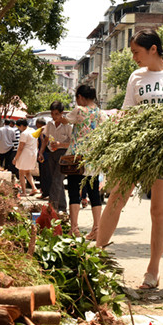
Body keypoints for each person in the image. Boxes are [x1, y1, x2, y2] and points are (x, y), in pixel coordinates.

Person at [95, 29, 163, 289]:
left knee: (158, 210)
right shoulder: (136, 77)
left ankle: (153, 270)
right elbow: (128, 112)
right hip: (136, 147)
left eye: (136, 52)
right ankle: (96, 255)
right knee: (116, 197)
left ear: (154, 49)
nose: (134, 58)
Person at [58, 85, 105, 238]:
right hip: (93, 159)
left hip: (76, 159)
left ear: (80, 97)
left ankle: (74, 229)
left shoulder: (78, 110)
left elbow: (65, 120)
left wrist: (60, 116)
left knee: (73, 193)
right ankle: (97, 229)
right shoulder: (100, 113)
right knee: (94, 195)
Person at [39, 101, 71, 213]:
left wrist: (60, 145)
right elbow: (46, 139)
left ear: (62, 113)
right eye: (52, 114)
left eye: (56, 114)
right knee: (56, 181)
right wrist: (41, 152)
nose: (54, 116)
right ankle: (62, 207)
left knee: (57, 180)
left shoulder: (68, 126)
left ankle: (52, 207)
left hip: (64, 154)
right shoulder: (49, 124)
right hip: (51, 153)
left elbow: (73, 143)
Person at [12, 118, 39, 195]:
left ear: (21, 126)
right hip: (33, 153)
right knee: (27, 172)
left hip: (25, 154)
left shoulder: (24, 133)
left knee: (21, 172)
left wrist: (15, 158)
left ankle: (24, 191)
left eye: (18, 127)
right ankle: (34, 188)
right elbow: (37, 144)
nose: (19, 129)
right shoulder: (33, 131)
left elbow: (20, 148)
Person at [36, 117, 51, 199]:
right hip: (42, 155)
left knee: (46, 175)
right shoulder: (40, 131)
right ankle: (44, 192)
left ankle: (47, 193)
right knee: (43, 175)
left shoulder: (46, 131)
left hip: (46, 155)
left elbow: (45, 142)